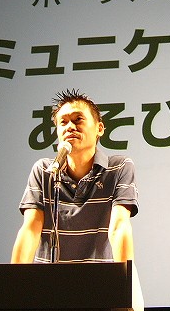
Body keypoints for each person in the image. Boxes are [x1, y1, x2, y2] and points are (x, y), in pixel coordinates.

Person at [11, 89, 138, 263]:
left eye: (78, 119)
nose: (70, 127)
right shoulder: (44, 171)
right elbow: (30, 229)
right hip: (46, 278)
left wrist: (124, 277)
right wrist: (15, 278)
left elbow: (119, 227)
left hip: (100, 277)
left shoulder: (118, 168)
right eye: (63, 122)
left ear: (99, 128)